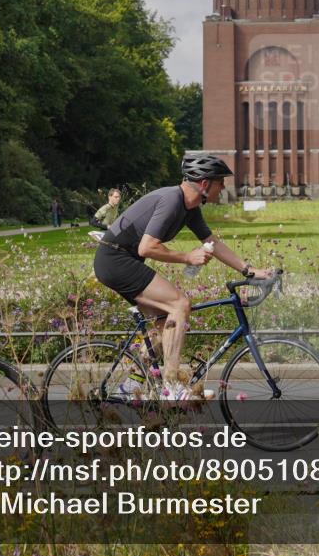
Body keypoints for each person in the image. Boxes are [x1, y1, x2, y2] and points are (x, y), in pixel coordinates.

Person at [93, 155, 271, 401]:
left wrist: (249, 270)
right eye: (220, 183)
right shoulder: (172, 201)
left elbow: (212, 242)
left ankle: (130, 386)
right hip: (115, 260)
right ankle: (172, 386)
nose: (223, 188)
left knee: (163, 323)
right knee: (180, 304)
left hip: (121, 260)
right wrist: (188, 257)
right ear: (205, 184)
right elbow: (147, 247)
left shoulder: (190, 208)